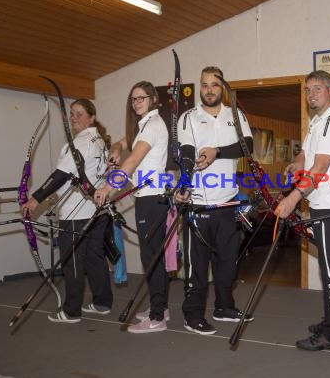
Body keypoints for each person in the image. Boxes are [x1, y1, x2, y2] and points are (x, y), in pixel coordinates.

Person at [275, 70, 330, 351]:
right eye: (307, 90)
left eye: (317, 89)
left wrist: (292, 199)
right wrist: (297, 163)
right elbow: (307, 156)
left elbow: (320, 169)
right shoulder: (317, 123)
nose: (311, 94)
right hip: (322, 207)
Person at [175, 66, 254, 335]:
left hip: (228, 202)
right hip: (198, 203)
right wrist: (185, 181)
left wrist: (216, 152)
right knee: (197, 266)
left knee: (227, 261)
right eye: (204, 84)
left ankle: (224, 307)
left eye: (214, 85)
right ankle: (192, 315)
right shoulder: (188, 118)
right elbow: (185, 153)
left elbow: (247, 147)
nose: (209, 89)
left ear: (223, 88)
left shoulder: (237, 115)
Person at [20, 98, 113, 323]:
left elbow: (60, 175)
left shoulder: (80, 142)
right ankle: (102, 302)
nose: (74, 117)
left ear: (92, 117)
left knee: (72, 260)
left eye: (79, 113)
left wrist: (35, 199)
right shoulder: (99, 140)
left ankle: (71, 311)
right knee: (94, 257)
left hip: (76, 213)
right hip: (96, 211)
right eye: (72, 113)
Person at [95, 81, 171, 334]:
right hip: (149, 197)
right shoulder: (144, 125)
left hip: (151, 199)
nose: (137, 102)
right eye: (133, 99)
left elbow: (134, 159)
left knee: (151, 257)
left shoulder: (154, 126)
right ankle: (161, 306)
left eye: (142, 98)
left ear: (153, 99)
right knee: (153, 255)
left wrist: (108, 188)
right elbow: (124, 144)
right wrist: (115, 149)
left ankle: (158, 316)